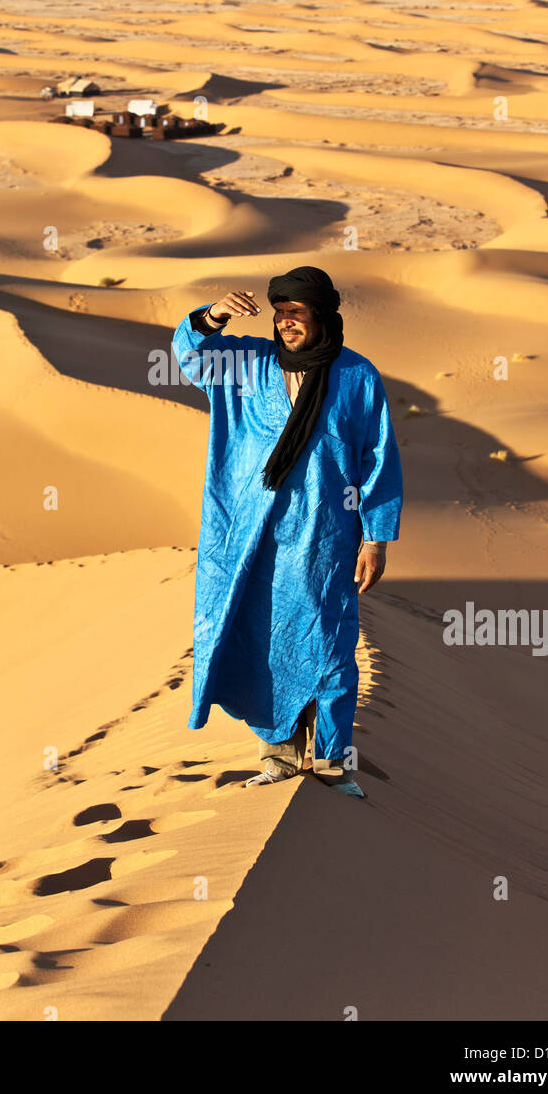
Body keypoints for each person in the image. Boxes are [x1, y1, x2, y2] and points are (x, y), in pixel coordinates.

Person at [171, 265, 403, 799]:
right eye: (280, 312)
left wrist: (376, 537)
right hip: (247, 535)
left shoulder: (357, 376)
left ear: (321, 315)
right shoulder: (246, 363)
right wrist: (214, 316)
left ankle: (332, 764)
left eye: (297, 312)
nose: (286, 321)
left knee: (330, 648)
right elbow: (188, 356)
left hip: (325, 537)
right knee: (262, 644)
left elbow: (378, 458)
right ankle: (278, 758)